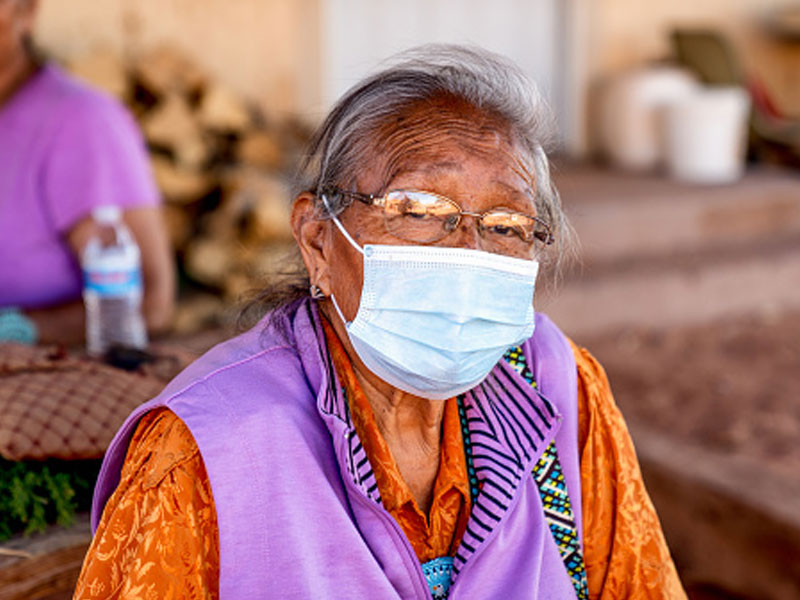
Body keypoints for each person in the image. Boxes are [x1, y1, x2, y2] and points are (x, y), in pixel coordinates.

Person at [75, 45, 686, 599]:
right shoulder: (205, 452)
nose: (468, 250)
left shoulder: (559, 386)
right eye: (416, 209)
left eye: (507, 225)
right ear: (318, 241)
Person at [0, 0, 174, 345]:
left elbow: (150, 303)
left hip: (49, 366)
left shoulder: (82, 121)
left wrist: (14, 328)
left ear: (27, 11)